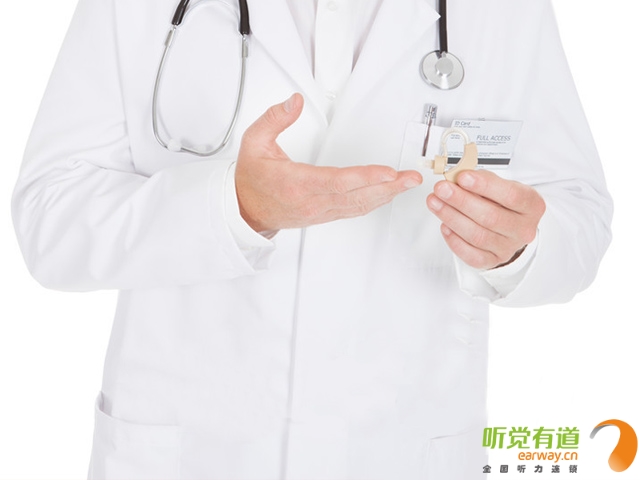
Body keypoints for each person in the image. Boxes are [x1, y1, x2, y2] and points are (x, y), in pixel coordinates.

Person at [12, 0, 612, 478]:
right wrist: (233, 208)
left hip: (401, 448)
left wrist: (518, 248)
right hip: (193, 450)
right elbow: (50, 214)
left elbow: (578, 213)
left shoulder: (507, 10)